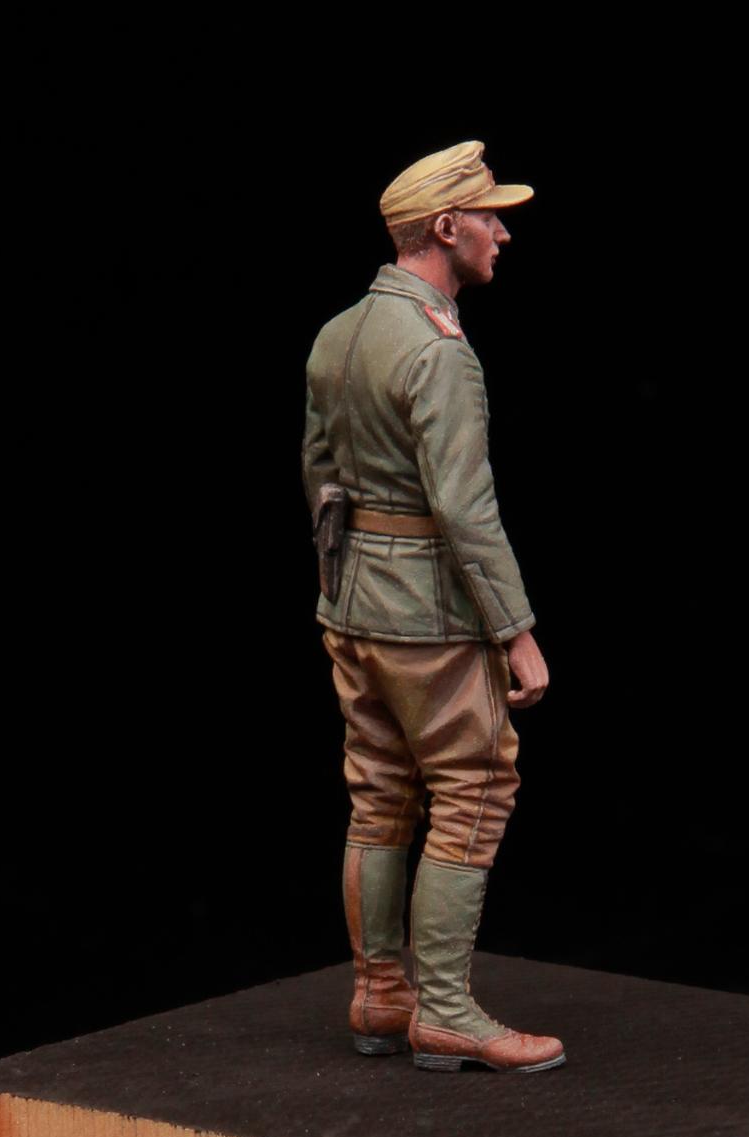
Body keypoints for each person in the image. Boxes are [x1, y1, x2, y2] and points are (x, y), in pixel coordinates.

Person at [301, 141, 565, 1073]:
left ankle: (381, 992)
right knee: (476, 787)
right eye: (489, 216)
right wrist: (516, 631)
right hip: (428, 617)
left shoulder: (338, 335)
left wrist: (345, 586)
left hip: (352, 606)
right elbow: (465, 507)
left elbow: (319, 475)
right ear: (446, 228)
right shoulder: (439, 353)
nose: (502, 233)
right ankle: (445, 1009)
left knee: (379, 793)